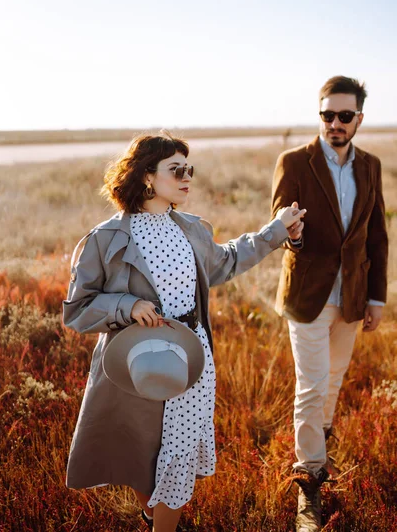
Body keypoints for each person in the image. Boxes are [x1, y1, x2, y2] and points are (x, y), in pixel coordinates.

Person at [63, 131, 306, 532]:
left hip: (192, 361)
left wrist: (276, 231)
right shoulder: (105, 238)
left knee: (176, 460)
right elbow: (77, 310)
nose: (187, 177)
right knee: (143, 455)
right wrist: (128, 307)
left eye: (189, 169)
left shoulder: (191, 229)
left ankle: (161, 524)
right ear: (146, 177)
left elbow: (228, 260)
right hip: (134, 365)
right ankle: (152, 513)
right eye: (176, 170)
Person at [271, 76, 388, 532]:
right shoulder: (294, 162)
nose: (334, 124)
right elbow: (280, 225)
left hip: (353, 296)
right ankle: (310, 482)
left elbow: (377, 234)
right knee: (313, 383)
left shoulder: (371, 166)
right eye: (326, 115)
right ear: (319, 115)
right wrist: (292, 236)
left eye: (344, 116)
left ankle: (318, 443)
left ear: (359, 118)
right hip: (308, 296)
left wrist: (376, 296)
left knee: (334, 380)